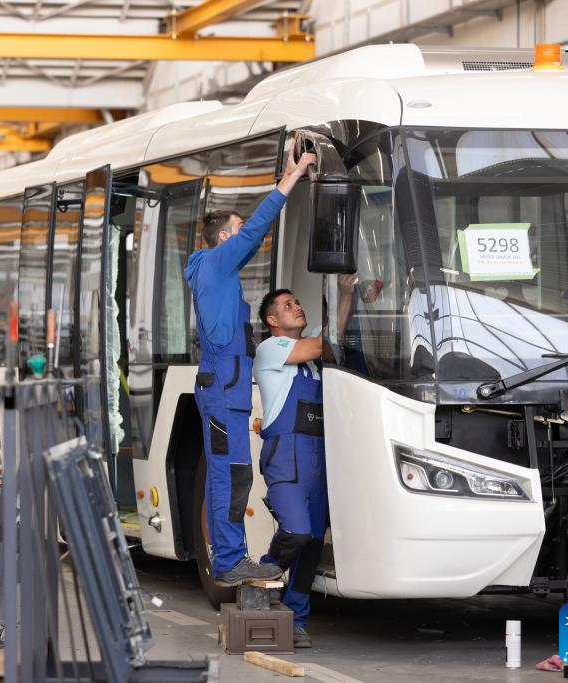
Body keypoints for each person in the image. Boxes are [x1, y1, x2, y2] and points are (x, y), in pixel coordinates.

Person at [184, 143, 317, 587]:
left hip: (226, 389)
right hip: (224, 390)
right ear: (225, 238)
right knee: (231, 475)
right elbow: (257, 228)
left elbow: (252, 235)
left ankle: (228, 557)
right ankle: (228, 560)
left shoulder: (215, 272)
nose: (246, 238)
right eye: (237, 230)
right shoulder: (217, 264)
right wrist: (292, 177)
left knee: (228, 474)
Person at [253, 280, 355, 647]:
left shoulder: (313, 358)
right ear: (272, 320)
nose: (296, 307)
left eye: (297, 302)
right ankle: (261, 575)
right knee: (295, 531)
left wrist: (347, 296)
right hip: (287, 456)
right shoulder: (272, 348)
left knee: (311, 544)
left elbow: (329, 342)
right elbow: (324, 343)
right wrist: (342, 300)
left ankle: (296, 619)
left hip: (319, 457)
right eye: (287, 305)